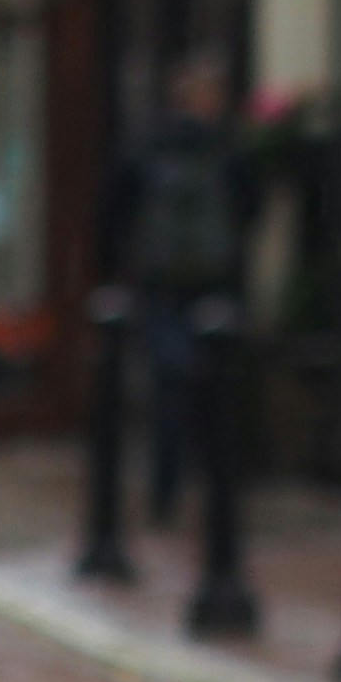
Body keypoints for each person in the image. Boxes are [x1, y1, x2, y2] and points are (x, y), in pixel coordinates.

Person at [108, 51, 252, 527]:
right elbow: (248, 206)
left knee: (174, 387)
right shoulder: (225, 148)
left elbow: (118, 207)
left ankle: (174, 492)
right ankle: (205, 493)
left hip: (169, 284)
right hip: (199, 284)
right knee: (200, 389)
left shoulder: (152, 145)